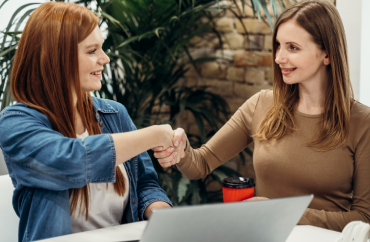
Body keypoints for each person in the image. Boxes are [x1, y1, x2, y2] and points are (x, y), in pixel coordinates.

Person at [154, 0, 370, 232]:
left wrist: (282, 212)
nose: (278, 58)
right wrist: (181, 151)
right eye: (278, 45)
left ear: (326, 53)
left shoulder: (361, 122)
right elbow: (201, 164)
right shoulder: (261, 104)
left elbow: (364, 219)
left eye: (292, 47)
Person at [0, 2, 174, 242]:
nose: (105, 59)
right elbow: (73, 160)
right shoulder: (15, 123)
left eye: (101, 49)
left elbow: (145, 184)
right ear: (57, 58)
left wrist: (161, 216)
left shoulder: (115, 114)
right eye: (92, 51)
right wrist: (155, 135)